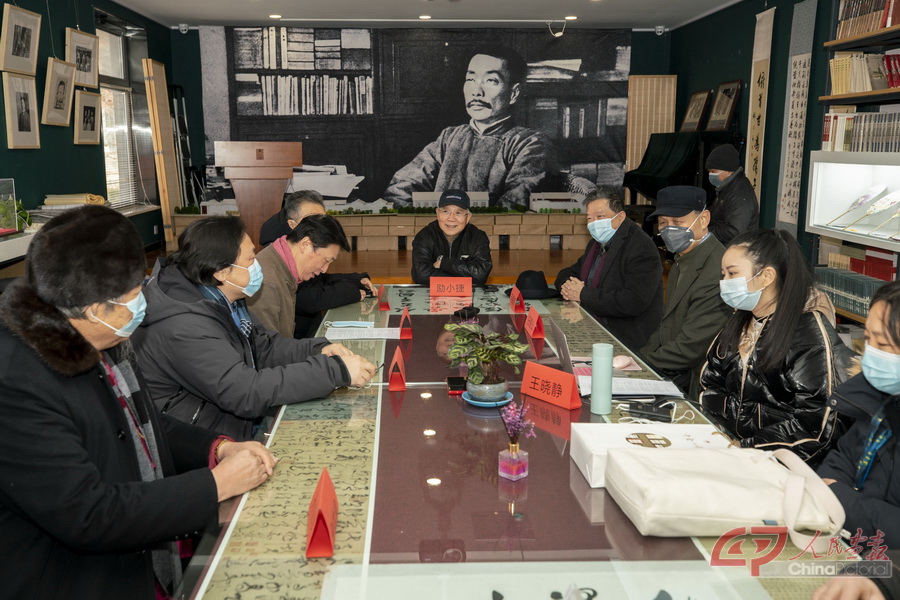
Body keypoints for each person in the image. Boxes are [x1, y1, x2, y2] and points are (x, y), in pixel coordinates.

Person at [0, 206, 275, 599]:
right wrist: (213, 487)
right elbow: (88, 514)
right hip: (70, 580)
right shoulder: (16, 383)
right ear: (96, 309)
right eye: (133, 295)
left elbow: (143, 425)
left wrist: (217, 449)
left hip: (137, 561)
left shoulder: (102, 336)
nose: (143, 302)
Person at [133, 216, 376, 440]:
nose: (257, 264)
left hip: (234, 424)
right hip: (208, 442)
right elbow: (244, 392)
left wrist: (319, 349)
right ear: (222, 271)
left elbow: (266, 347)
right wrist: (334, 371)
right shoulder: (184, 324)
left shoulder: (224, 296)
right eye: (250, 259)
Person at [700, 228, 849, 464]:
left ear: (767, 276)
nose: (724, 282)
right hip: (730, 449)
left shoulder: (807, 333)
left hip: (780, 461)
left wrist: (747, 447)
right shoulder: (742, 320)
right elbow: (712, 382)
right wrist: (715, 433)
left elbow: (817, 424)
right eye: (723, 274)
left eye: (732, 273)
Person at [383, 45, 558, 209]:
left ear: (513, 93)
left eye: (491, 80)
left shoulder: (530, 144)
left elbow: (514, 207)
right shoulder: (449, 137)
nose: (476, 92)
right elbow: (400, 189)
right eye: (471, 79)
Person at [817, 280, 900, 548]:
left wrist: (839, 498)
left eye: (883, 344)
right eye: (868, 340)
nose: (871, 354)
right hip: (856, 545)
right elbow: (841, 460)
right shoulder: (876, 398)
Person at [639, 185, 732, 399]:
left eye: (678, 221)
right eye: (663, 223)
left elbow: (691, 347)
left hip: (697, 382)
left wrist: (642, 364)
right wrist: (636, 358)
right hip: (672, 366)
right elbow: (666, 325)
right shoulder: (683, 258)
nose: (669, 229)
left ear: (704, 219)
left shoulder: (718, 269)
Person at [555, 186, 663, 351]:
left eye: (600, 216)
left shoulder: (640, 246)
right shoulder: (597, 243)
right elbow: (569, 272)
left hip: (627, 338)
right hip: (593, 326)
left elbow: (633, 301)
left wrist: (583, 294)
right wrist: (567, 286)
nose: (594, 223)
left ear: (620, 217)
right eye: (590, 218)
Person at [259, 190, 377, 337]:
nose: (321, 225)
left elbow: (319, 279)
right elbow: (308, 299)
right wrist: (352, 292)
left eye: (322, 218)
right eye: (313, 220)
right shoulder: (270, 276)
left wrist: (355, 279)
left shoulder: (291, 254)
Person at [247, 214, 350, 337]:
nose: (324, 269)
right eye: (326, 260)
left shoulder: (284, 267)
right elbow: (268, 346)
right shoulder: (266, 282)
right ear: (305, 245)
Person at [411, 189, 492, 285]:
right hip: (432, 293)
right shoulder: (425, 236)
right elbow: (421, 275)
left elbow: (481, 274)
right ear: (437, 214)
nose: (451, 218)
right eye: (446, 211)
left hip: (468, 294)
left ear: (468, 217)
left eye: (458, 213)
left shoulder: (478, 237)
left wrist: (444, 263)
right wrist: (464, 276)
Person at [705, 144, 759, 245]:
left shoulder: (740, 193)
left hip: (738, 249)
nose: (710, 175)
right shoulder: (727, 187)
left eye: (713, 171)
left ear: (728, 170)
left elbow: (735, 231)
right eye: (709, 171)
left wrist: (705, 231)